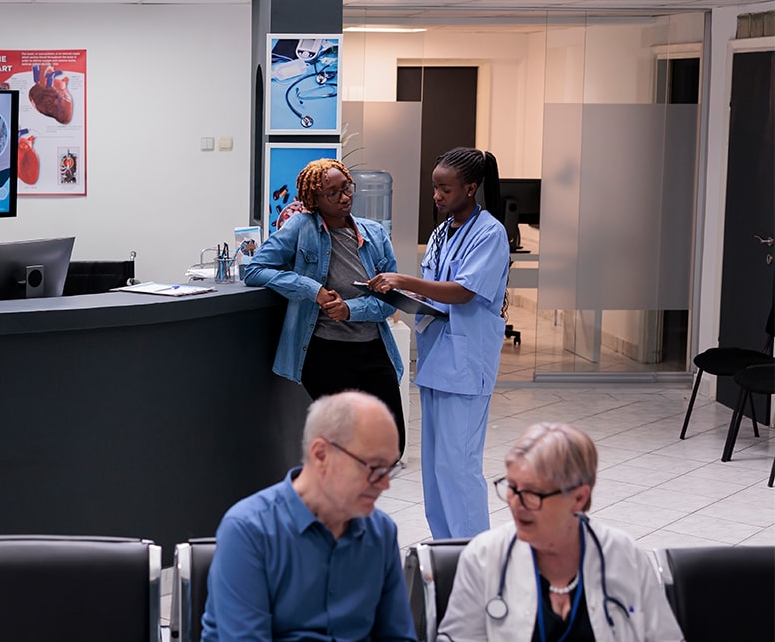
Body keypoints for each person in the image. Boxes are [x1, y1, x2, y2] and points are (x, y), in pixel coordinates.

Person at [367, 147, 510, 539]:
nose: (437, 196)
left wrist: (403, 281)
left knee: (458, 466)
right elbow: (435, 295)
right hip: (436, 358)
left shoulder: (490, 233)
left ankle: (472, 554)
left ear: (471, 187)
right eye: (434, 188)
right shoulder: (441, 233)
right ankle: (444, 548)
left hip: (465, 364)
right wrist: (399, 297)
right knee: (433, 468)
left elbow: (463, 292)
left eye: (445, 189)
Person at [201, 391, 416, 642]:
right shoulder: (249, 531)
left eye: (390, 468)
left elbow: (398, 636)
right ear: (321, 455)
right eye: (374, 468)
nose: (384, 485)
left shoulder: (381, 533)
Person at [438, 423, 684, 642]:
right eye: (512, 487)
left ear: (579, 497)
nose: (516, 503)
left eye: (533, 494)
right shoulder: (484, 557)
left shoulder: (624, 555)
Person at [244, 158, 407, 455]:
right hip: (325, 352)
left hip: (372, 348)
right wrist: (311, 289)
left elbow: (388, 303)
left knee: (391, 443)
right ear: (313, 200)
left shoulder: (375, 235)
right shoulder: (301, 228)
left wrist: (350, 310)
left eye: (346, 187)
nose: (344, 197)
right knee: (345, 447)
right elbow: (254, 270)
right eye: (332, 193)